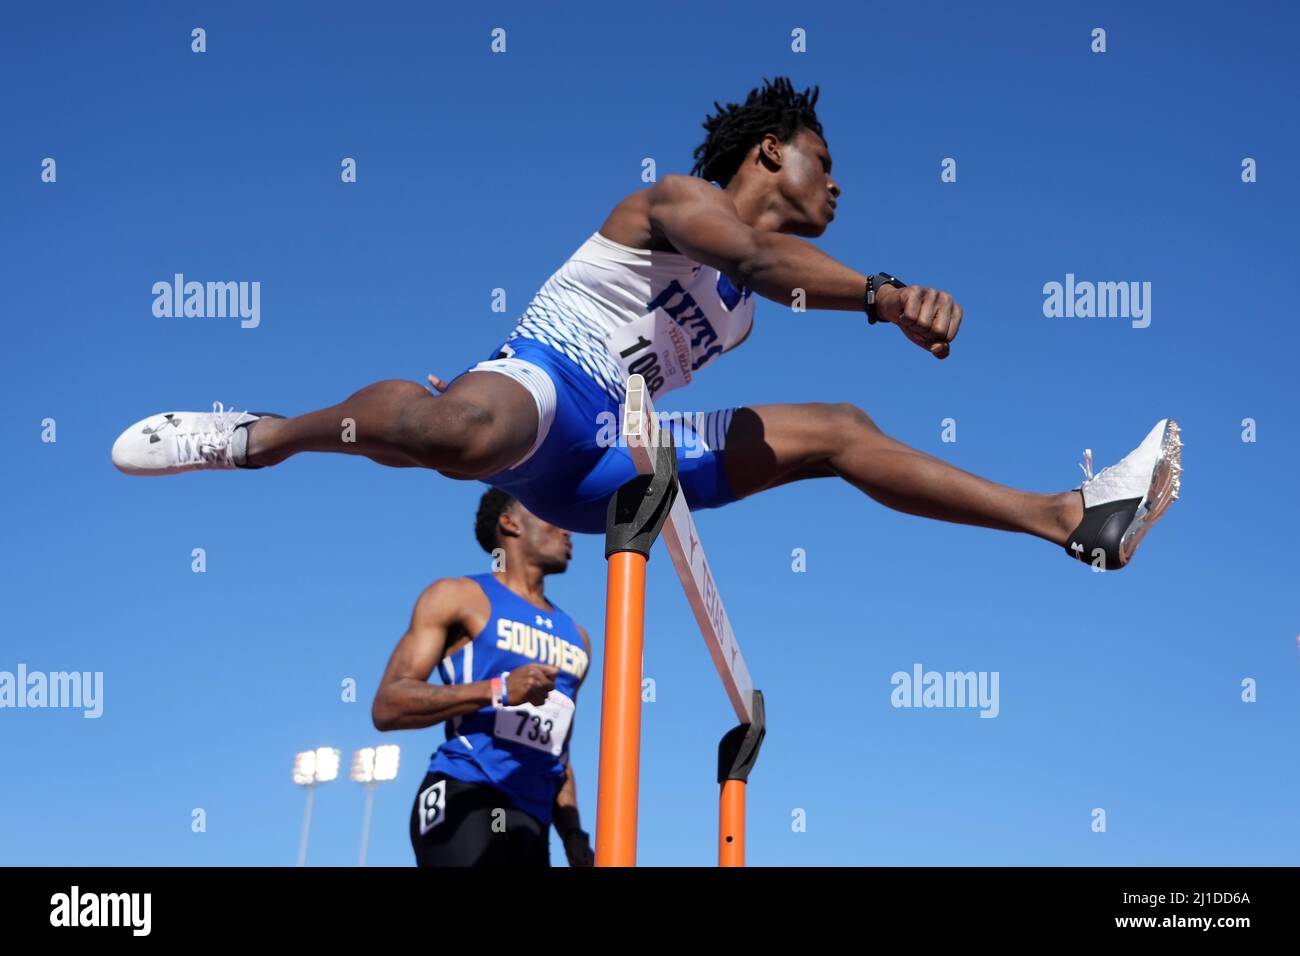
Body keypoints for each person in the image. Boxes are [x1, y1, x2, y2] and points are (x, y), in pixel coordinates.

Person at [111, 76, 1179, 571]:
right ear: (768, 151)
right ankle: (255, 437)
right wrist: (887, 294)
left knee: (842, 427)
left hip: (617, 458)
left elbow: (767, 279)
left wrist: (867, 298)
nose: (839, 186)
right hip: (538, 389)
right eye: (825, 161)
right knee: (452, 430)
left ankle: (1066, 516)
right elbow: (759, 255)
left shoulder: (745, 320)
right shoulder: (667, 201)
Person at [372, 489, 594, 867]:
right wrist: (500, 689)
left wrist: (573, 834)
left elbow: (558, 752)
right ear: (509, 523)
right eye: (548, 514)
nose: (566, 530)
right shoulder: (458, 597)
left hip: (532, 820)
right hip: (465, 792)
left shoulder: (577, 637)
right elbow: (388, 705)